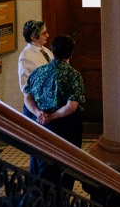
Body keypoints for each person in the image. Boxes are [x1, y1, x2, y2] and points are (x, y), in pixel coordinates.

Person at [23, 35, 84, 186]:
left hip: (39, 125)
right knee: (65, 166)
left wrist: (39, 113)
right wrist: (52, 116)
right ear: (71, 53)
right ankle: (60, 203)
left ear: (52, 51)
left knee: (40, 163)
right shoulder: (73, 76)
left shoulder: (38, 72)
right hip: (64, 129)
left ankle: (39, 202)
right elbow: (71, 106)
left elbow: (27, 98)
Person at [17, 19, 54, 176]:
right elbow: (26, 90)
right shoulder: (26, 57)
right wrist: (38, 111)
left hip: (47, 104)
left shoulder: (46, 51)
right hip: (36, 108)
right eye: (44, 32)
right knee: (38, 151)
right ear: (33, 36)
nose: (47, 35)